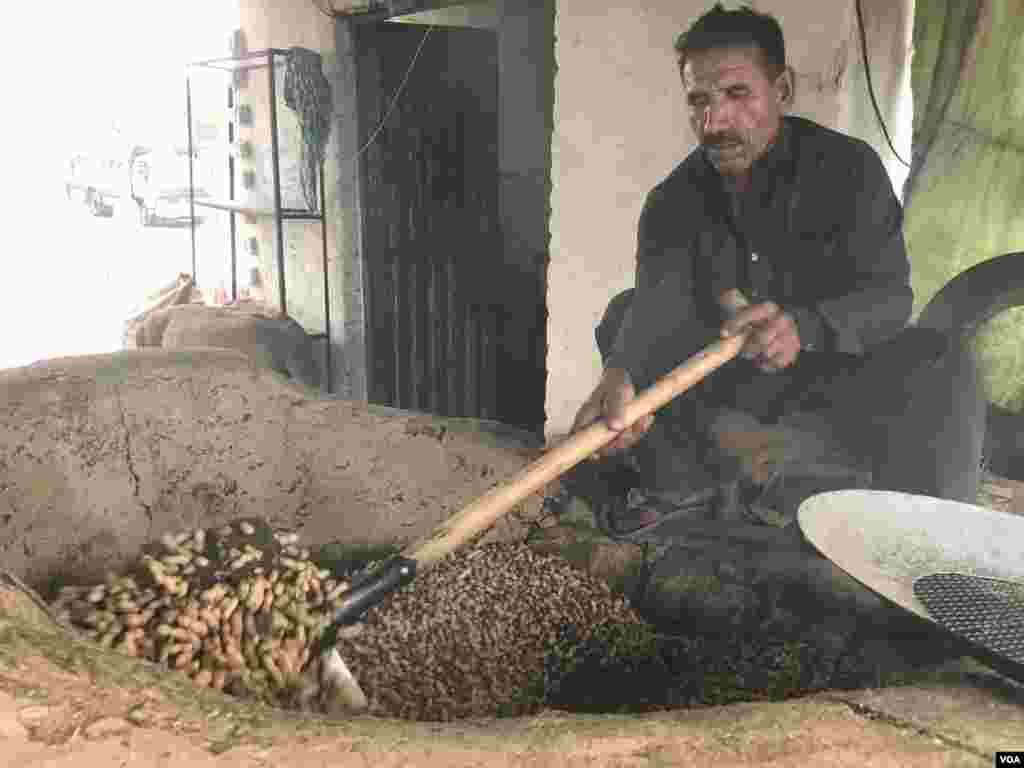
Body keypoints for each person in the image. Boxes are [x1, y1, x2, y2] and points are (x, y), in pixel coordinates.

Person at [566, 4, 984, 538]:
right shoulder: (671, 202)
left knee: (940, 360)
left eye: (737, 95)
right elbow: (656, 308)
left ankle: (932, 546)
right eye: (699, 101)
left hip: (830, 387)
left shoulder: (849, 171)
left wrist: (803, 327)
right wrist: (622, 375)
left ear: (782, 90)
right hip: (734, 392)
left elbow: (888, 299)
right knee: (624, 317)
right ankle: (694, 482)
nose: (713, 123)